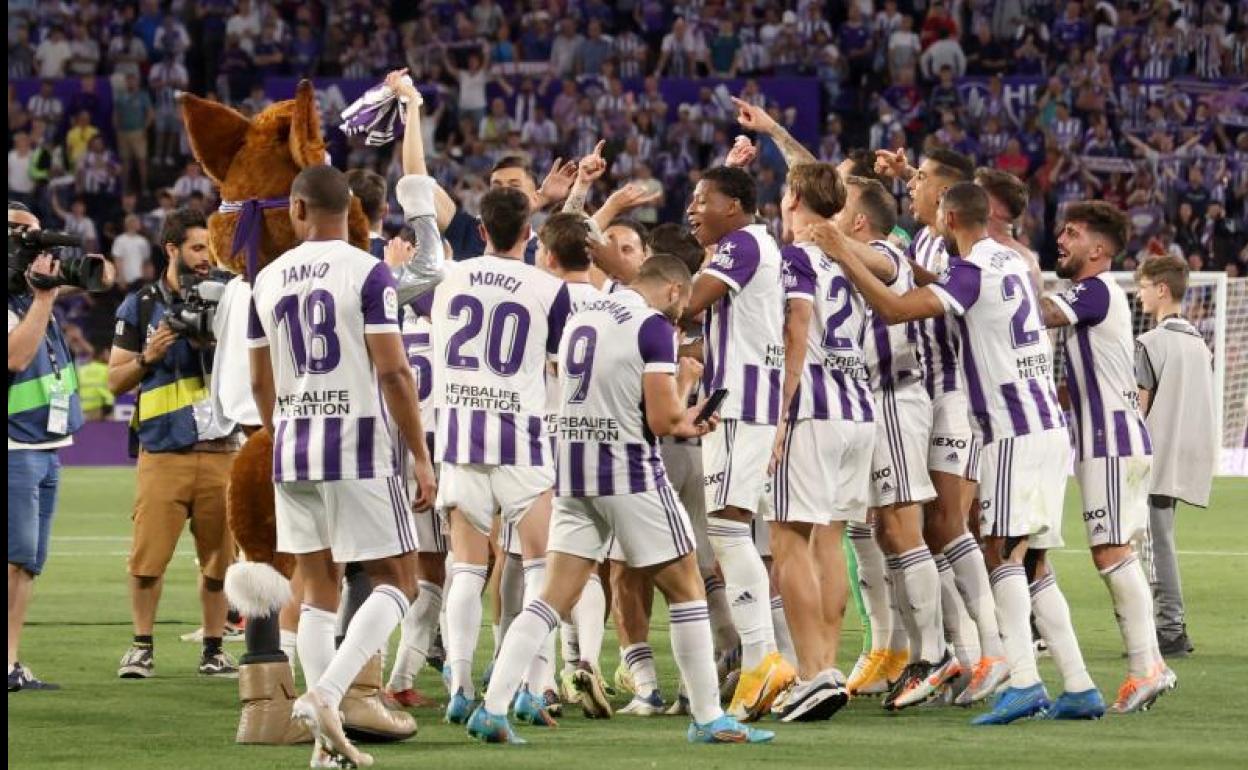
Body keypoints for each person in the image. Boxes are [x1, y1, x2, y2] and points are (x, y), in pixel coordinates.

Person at [466, 255, 773, 745]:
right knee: (688, 589)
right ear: (673, 291)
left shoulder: (582, 316)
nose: (682, 314)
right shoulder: (653, 328)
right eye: (684, 303)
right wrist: (689, 400)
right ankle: (709, 717)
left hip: (573, 474)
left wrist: (678, 413)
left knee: (551, 598)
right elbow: (661, 420)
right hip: (630, 474)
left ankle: (493, 707)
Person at [811, 182, 1085, 726]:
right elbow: (945, 284)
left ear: (951, 214)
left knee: (1001, 554)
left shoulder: (973, 269)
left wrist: (842, 253)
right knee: (1031, 561)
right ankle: (1078, 682)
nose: (929, 212)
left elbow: (892, 310)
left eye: (937, 207)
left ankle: (1020, 678)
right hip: (1045, 427)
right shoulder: (1004, 259)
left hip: (1011, 427)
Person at [247, 165, 436, 768]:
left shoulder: (266, 279)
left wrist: (282, 430)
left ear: (298, 209)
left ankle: (325, 745)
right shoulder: (368, 271)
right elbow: (393, 370)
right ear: (349, 208)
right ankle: (327, 694)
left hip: (292, 445)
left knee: (317, 586)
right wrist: (422, 457)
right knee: (400, 579)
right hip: (355, 444)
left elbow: (259, 379)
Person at [418, 186, 572, 726]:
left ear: (481, 230)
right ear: (528, 235)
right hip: (522, 441)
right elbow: (560, 359)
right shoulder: (549, 289)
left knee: (466, 567)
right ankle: (530, 684)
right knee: (537, 566)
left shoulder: (448, 276)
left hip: (460, 436)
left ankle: (460, 684)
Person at [1038, 200, 1175, 714]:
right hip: (1109, 439)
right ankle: (1150, 665)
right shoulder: (1099, 298)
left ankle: (1147, 668)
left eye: (1072, 234)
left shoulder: (1093, 291)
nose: (1062, 240)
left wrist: (1004, 279)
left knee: (1111, 552)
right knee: (1114, 551)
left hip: (1112, 441)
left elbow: (1042, 313)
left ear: (1097, 249)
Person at [683, 165, 797, 721]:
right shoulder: (753, 244)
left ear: (733, 205)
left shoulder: (744, 244)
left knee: (729, 530)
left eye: (702, 200)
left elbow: (687, 302)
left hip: (738, 405)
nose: (692, 209)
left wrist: (631, 284)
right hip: (743, 401)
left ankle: (762, 657)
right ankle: (766, 657)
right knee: (734, 530)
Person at [109, 208, 240, 681]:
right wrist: (150, 355)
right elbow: (114, 382)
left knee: (221, 562)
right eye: (197, 248)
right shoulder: (140, 306)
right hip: (164, 451)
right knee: (147, 560)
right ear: (171, 249)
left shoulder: (232, 299)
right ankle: (141, 645)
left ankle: (213, 647)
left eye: (210, 248)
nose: (206, 258)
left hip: (223, 449)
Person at [768, 161, 866, 722]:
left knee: (787, 541)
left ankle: (812, 672)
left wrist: (780, 411)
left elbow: (796, 327)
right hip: (859, 410)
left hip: (814, 409)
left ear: (797, 196)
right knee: (829, 543)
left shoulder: (799, 256)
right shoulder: (849, 257)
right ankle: (826, 667)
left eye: (785, 192)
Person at [8, 202, 100, 691]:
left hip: (43, 443)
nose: (32, 245)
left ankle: (9, 662)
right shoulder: (23, 303)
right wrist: (44, 298)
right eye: (22, 235)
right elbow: (16, 357)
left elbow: (97, 274)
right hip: (12, 446)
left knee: (26, 561)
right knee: (13, 557)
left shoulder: (25, 299)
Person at [1134, 254, 1217, 660]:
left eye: (1145, 286)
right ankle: (1167, 626)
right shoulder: (1199, 343)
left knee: (1154, 545)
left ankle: (1170, 629)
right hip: (1187, 452)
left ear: (1162, 289)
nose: (1140, 293)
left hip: (1155, 455)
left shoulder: (1151, 343)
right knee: (1160, 541)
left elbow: (1139, 411)